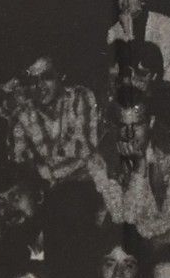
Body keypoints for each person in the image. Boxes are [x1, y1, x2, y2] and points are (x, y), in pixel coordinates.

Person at [91, 81, 170, 242]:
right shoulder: (103, 156)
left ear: (151, 122)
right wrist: (139, 170)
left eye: (137, 125)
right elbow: (121, 220)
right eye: (123, 126)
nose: (129, 134)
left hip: (168, 237)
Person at [6, 53, 101, 190]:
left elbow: (86, 148)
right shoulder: (24, 114)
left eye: (47, 77)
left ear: (60, 75)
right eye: (34, 80)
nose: (40, 85)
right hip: (52, 193)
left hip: (88, 185)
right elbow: (18, 160)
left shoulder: (80, 96)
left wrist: (43, 167)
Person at [107, 0, 170, 86]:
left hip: (165, 86)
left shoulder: (166, 24)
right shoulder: (113, 32)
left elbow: (158, 66)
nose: (126, 0)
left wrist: (128, 33)